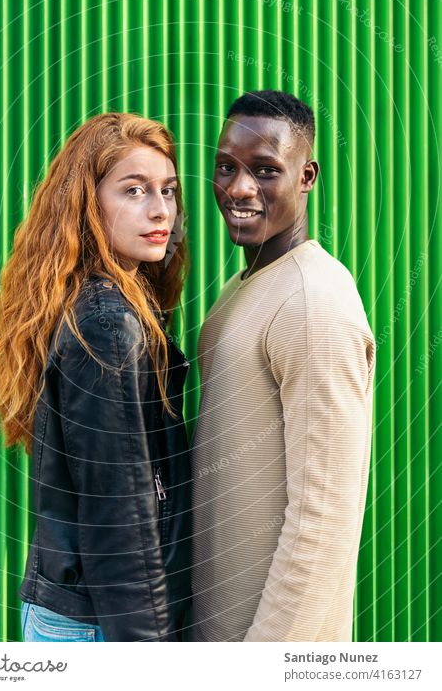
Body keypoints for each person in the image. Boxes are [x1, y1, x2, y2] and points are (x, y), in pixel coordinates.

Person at [0, 112, 192, 642]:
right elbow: (118, 516)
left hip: (86, 618)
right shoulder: (106, 325)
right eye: (134, 190)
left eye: (167, 190)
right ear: (87, 202)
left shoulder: (113, 304)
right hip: (100, 629)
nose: (160, 209)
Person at [191, 90, 375, 642]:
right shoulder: (241, 291)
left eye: (266, 170)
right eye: (227, 167)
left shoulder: (314, 300)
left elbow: (325, 515)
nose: (240, 188)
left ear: (307, 176)